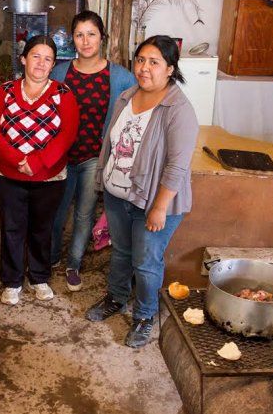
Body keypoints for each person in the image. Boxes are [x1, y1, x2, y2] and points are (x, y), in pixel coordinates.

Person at [85, 35, 198, 348]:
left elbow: (177, 166)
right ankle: (117, 298)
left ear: (170, 69)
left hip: (152, 202)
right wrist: (102, 182)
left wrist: (160, 207)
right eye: (140, 60)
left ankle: (146, 316)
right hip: (117, 195)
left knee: (146, 262)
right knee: (121, 252)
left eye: (154, 62)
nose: (144, 68)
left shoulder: (178, 109)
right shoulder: (127, 96)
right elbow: (110, 143)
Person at [0, 35, 79, 306]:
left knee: (42, 228)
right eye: (36, 56)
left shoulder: (63, 94)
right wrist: (17, 159)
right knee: (12, 228)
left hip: (49, 177)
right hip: (9, 175)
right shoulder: (5, 90)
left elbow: (67, 134)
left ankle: (39, 277)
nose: (41, 63)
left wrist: (36, 163)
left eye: (48, 58)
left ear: (53, 65)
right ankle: (12, 281)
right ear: (24, 59)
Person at [49, 10, 137, 292]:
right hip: (61, 157)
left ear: (102, 38)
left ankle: (73, 263)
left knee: (84, 213)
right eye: (79, 35)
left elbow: (131, 118)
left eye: (91, 34)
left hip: (94, 157)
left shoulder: (120, 77)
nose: (85, 41)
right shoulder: (60, 72)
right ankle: (48, 258)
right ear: (72, 39)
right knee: (56, 211)